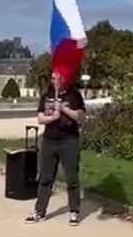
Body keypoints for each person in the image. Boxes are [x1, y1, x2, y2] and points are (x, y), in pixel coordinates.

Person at [25, 70, 87, 226]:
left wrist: (65, 109)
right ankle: (39, 211)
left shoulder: (74, 95)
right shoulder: (47, 95)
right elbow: (40, 118)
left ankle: (74, 211)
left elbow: (81, 117)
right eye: (53, 78)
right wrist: (53, 117)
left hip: (69, 141)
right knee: (45, 178)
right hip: (49, 141)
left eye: (58, 78)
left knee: (72, 178)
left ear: (65, 78)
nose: (55, 81)